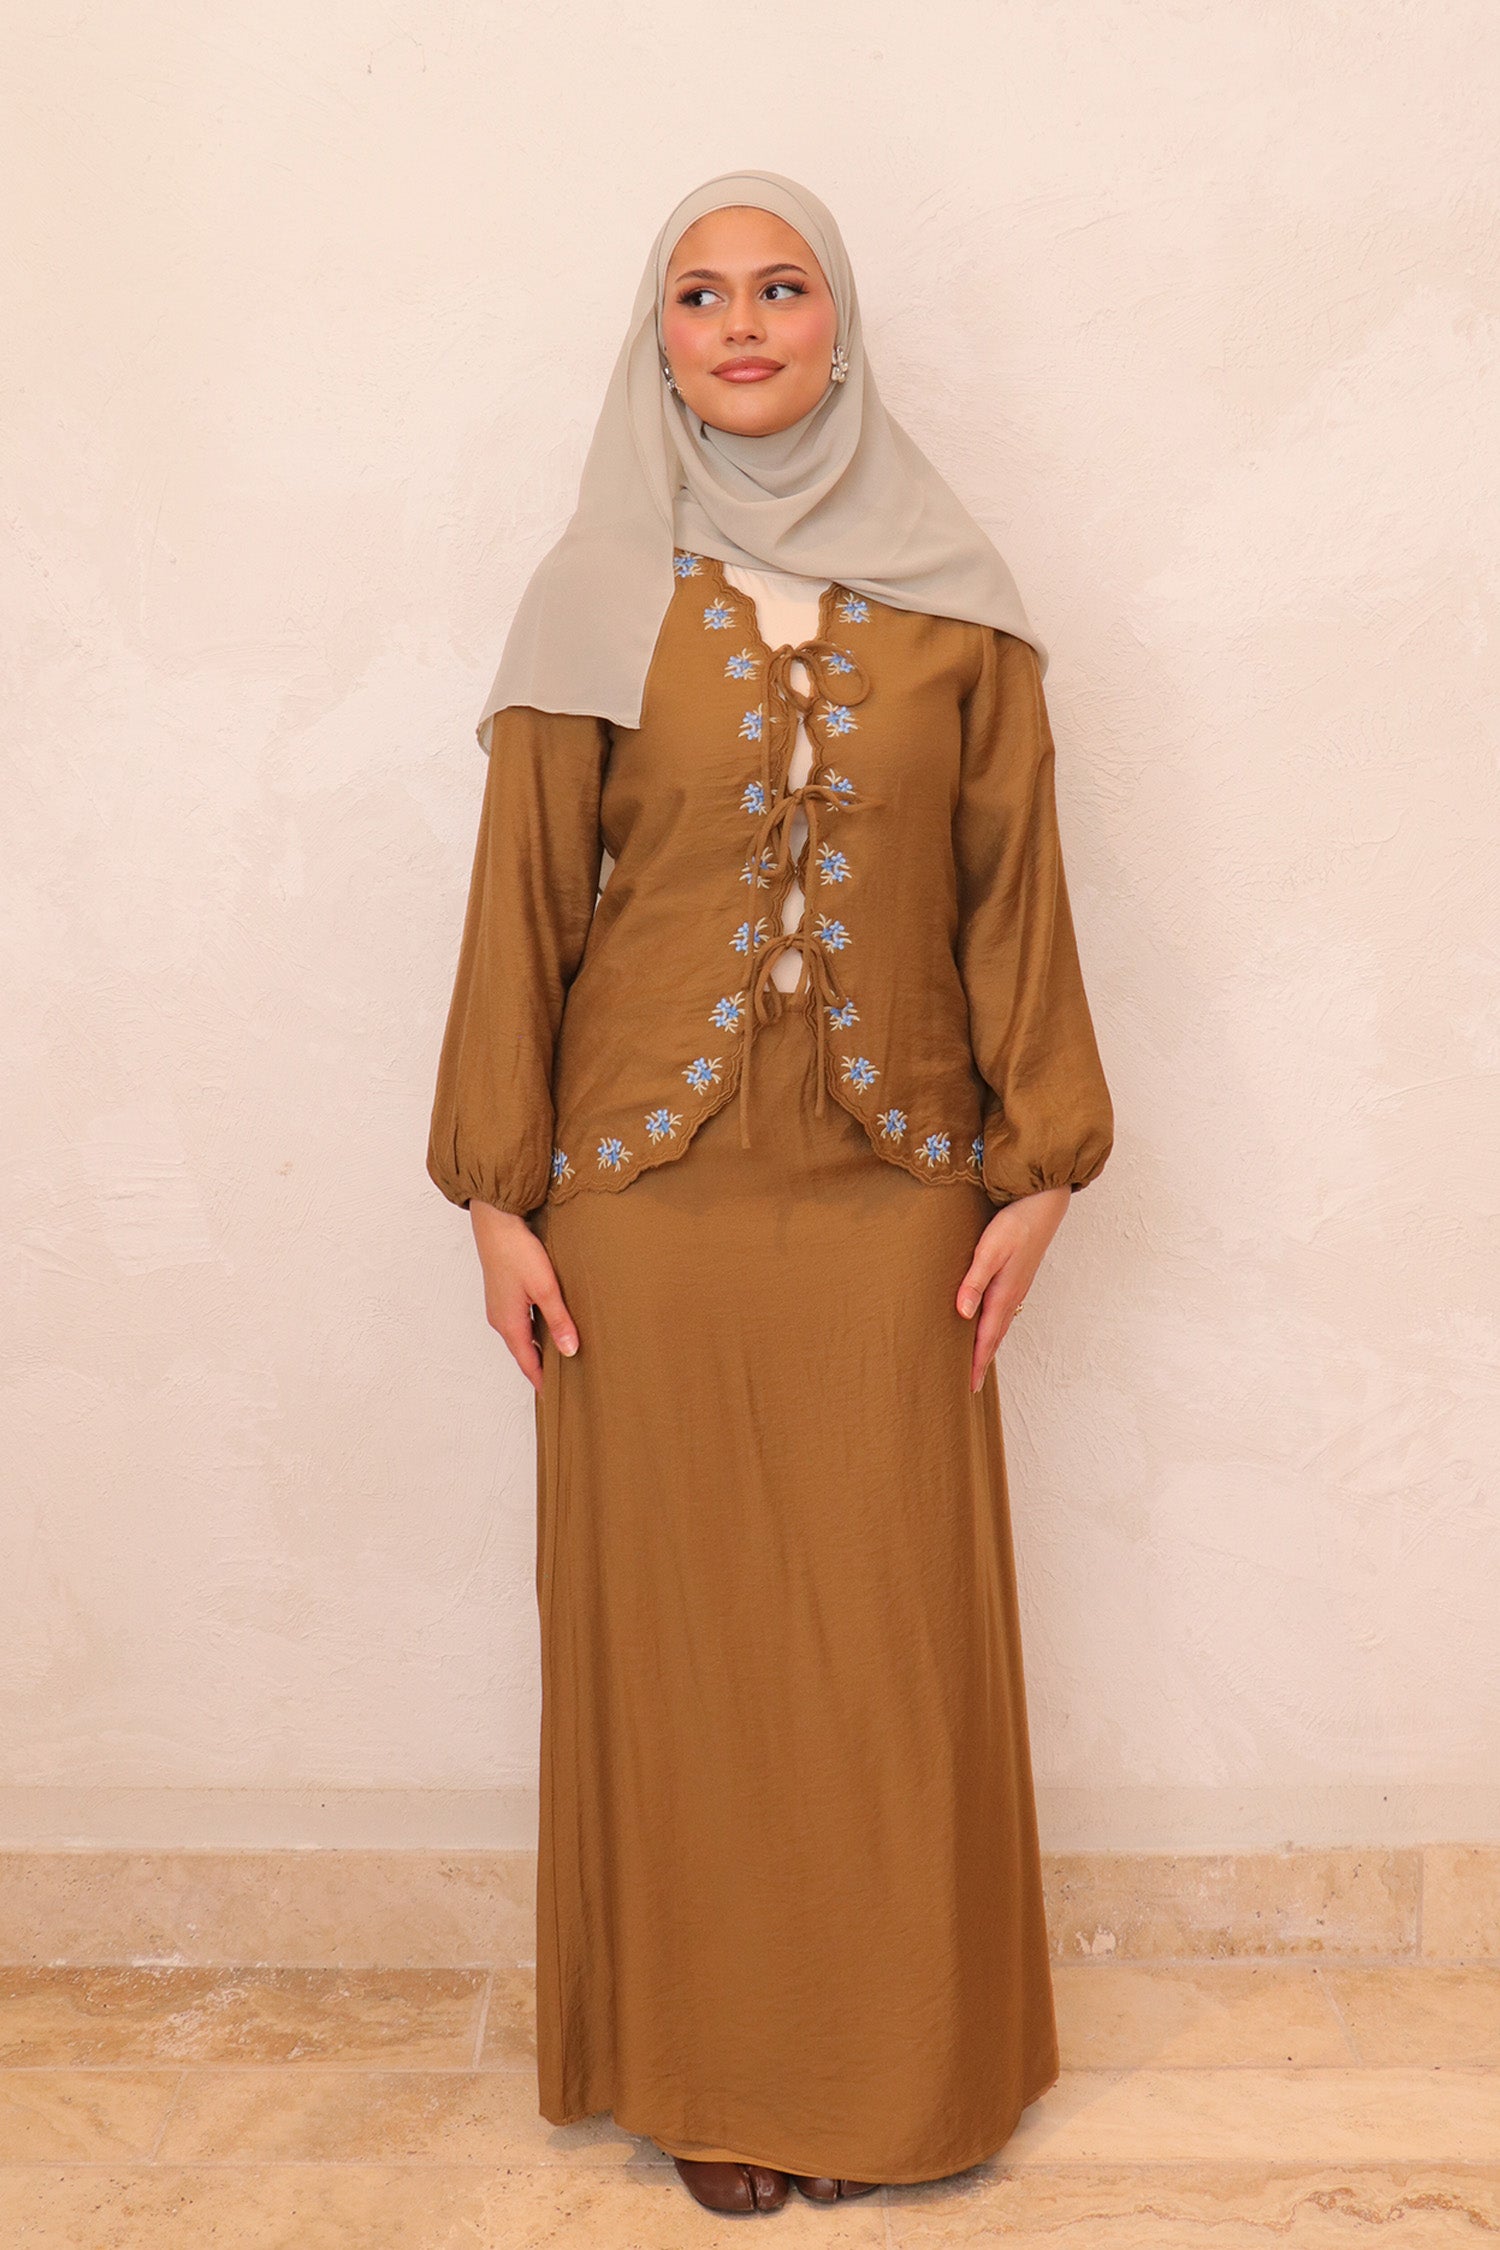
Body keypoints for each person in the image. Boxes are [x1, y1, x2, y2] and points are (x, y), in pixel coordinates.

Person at [426, 169, 1114, 2218]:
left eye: (782, 287)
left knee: (886, 1644)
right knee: (688, 1649)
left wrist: (1041, 1168)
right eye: (700, 294)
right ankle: (710, 2071)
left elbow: (1014, 898)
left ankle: (907, 2073)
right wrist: (496, 1194)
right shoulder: (593, 591)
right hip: (642, 1209)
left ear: (839, 326)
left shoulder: (962, 615)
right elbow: (524, 900)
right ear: (659, 342)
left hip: (897, 1199)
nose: (741, 324)